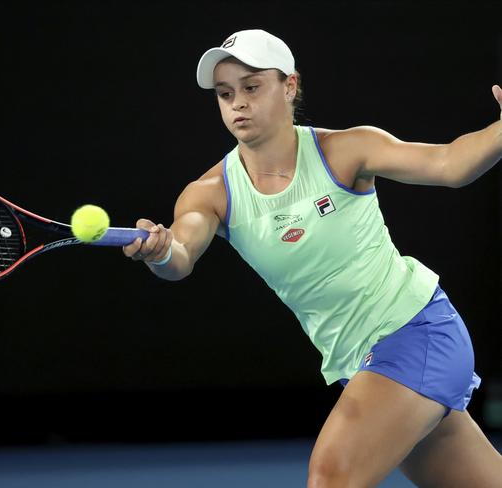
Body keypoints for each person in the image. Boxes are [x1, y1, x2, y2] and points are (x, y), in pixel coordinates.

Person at [123, 29, 502, 487]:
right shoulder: (210, 193)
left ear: (289, 86)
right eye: (225, 94)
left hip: (415, 333)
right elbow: (180, 255)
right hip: (357, 363)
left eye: (251, 87)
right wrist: (159, 252)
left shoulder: (345, 150)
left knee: (330, 478)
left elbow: (450, 164)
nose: (237, 103)